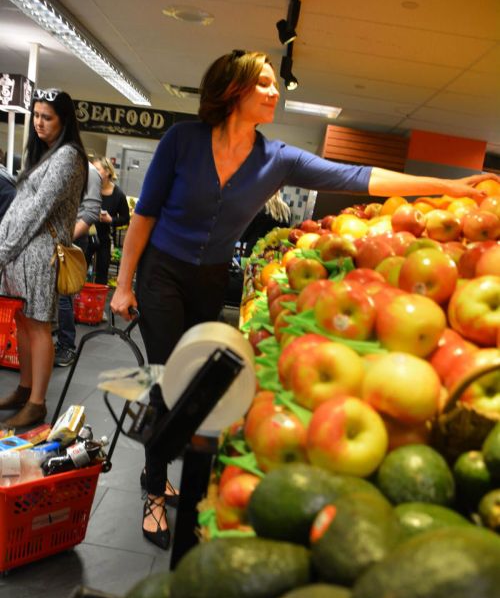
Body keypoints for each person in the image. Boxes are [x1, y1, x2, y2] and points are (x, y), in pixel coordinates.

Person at [111, 49, 496, 550]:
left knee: (192, 380)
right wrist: (123, 285)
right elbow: (144, 218)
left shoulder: (278, 159)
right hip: (161, 272)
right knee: (165, 376)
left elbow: (360, 178)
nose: (275, 92)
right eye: (265, 83)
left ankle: (171, 464)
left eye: (275, 84)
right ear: (233, 89)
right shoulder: (182, 141)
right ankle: (154, 487)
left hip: (209, 280)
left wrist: (447, 186)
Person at [0, 89, 88, 429]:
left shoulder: (68, 156)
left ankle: (36, 402)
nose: (38, 122)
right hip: (21, 253)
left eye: (46, 117)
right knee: (24, 322)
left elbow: (37, 210)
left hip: (40, 255)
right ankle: (24, 390)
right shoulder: (46, 153)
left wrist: (4, 249)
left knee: (38, 327)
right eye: (35, 115)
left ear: (63, 120)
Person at [54, 162, 102, 368]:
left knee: (65, 293)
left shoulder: (89, 171)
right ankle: (56, 341)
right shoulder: (55, 163)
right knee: (49, 293)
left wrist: (65, 238)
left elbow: (90, 213)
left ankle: (67, 345)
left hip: (71, 239)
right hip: (53, 237)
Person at [92, 156, 130, 286]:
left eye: (97, 169)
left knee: (102, 273)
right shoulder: (90, 189)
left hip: (105, 239)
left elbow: (125, 219)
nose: (93, 172)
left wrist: (111, 220)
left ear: (107, 172)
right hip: (87, 235)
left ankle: (97, 304)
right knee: (80, 270)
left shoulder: (118, 194)